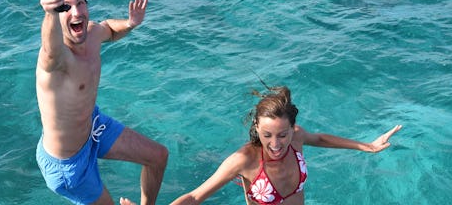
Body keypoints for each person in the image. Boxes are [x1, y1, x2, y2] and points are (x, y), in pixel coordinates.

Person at [34, 0, 168, 205]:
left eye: (81, 3)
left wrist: (130, 23)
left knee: (158, 156)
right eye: (65, 7)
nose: (76, 12)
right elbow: (50, 48)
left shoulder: (92, 33)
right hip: (69, 165)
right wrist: (50, 11)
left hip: (92, 127)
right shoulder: (56, 59)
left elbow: (108, 29)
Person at [168, 86, 401, 205]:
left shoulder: (298, 137)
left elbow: (320, 139)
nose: (275, 144)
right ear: (256, 126)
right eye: (267, 135)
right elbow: (195, 197)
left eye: (283, 135)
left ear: (293, 128)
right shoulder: (244, 159)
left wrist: (368, 147)